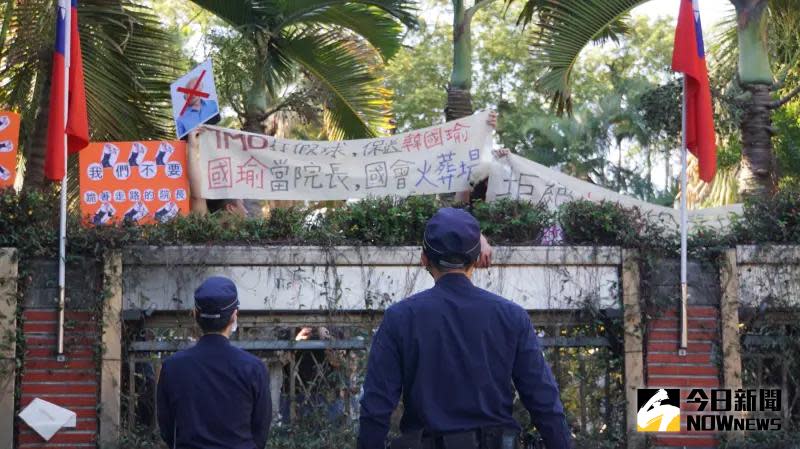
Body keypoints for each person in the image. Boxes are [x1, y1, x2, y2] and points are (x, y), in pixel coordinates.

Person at [358, 208, 571, 449]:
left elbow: (375, 408)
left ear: (424, 259)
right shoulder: (512, 316)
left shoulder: (400, 318)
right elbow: (544, 401)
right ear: (478, 259)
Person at [157, 277, 271, 449]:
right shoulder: (253, 368)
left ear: (195, 314)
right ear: (234, 315)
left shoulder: (172, 367)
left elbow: (167, 428)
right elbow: (261, 431)